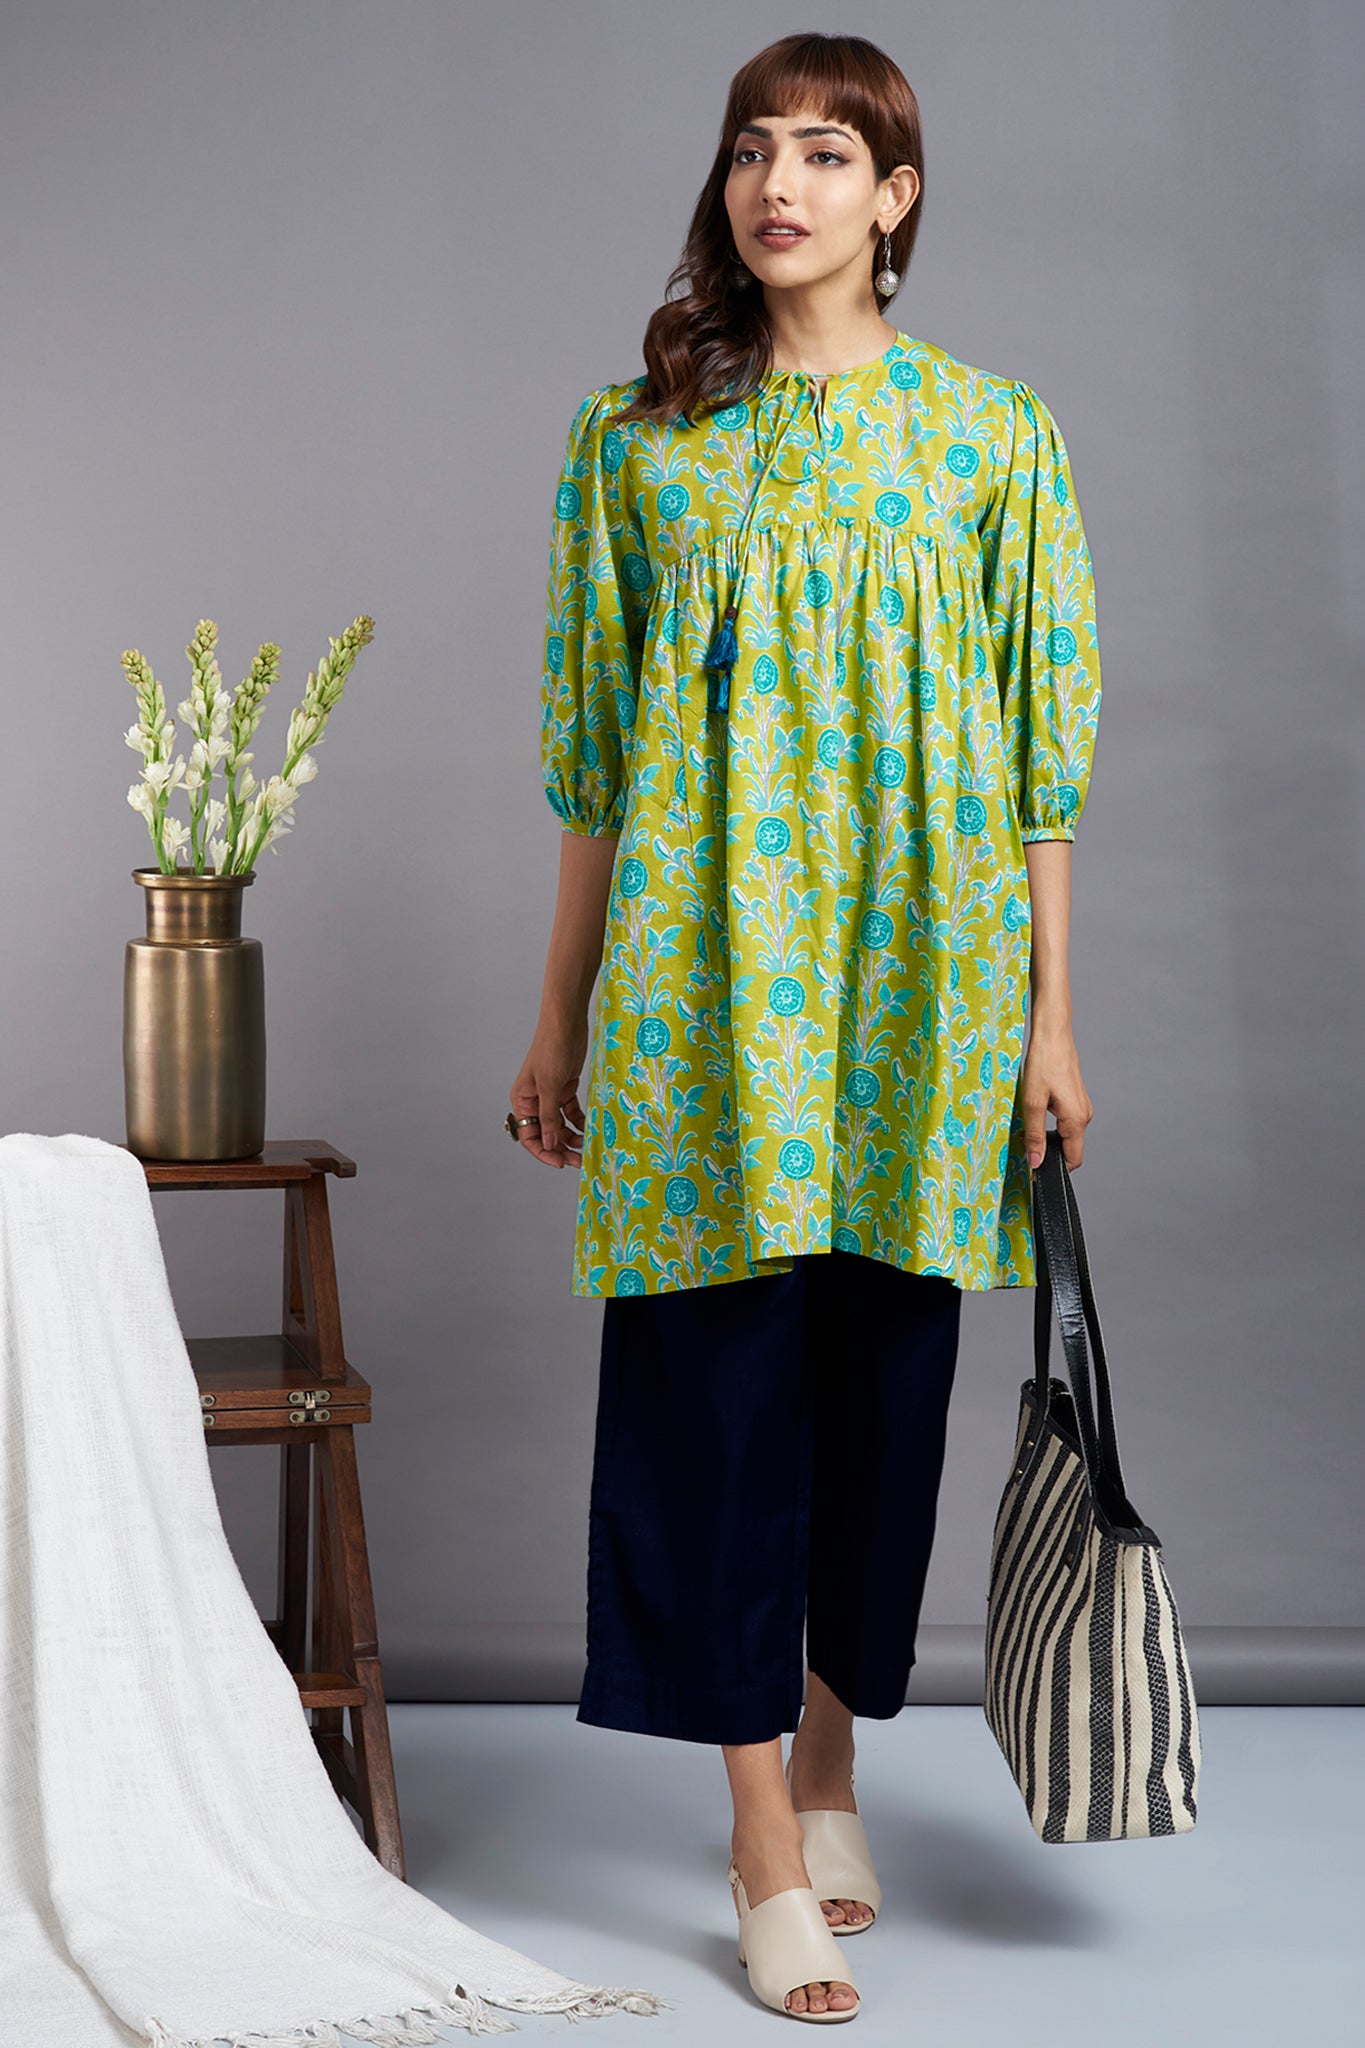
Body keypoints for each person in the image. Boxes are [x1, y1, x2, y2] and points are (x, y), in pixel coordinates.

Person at [508, 30, 1100, 2026]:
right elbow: (593, 754)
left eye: (828, 152)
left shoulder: (989, 434)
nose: (781, 184)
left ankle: (833, 1762)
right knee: (710, 1392)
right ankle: (759, 1835)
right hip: (701, 984)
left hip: (926, 981)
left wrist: (1051, 1018)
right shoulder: (635, 438)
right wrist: (557, 1012)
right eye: (754, 149)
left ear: (893, 196)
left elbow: (1038, 755)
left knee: (882, 1386)